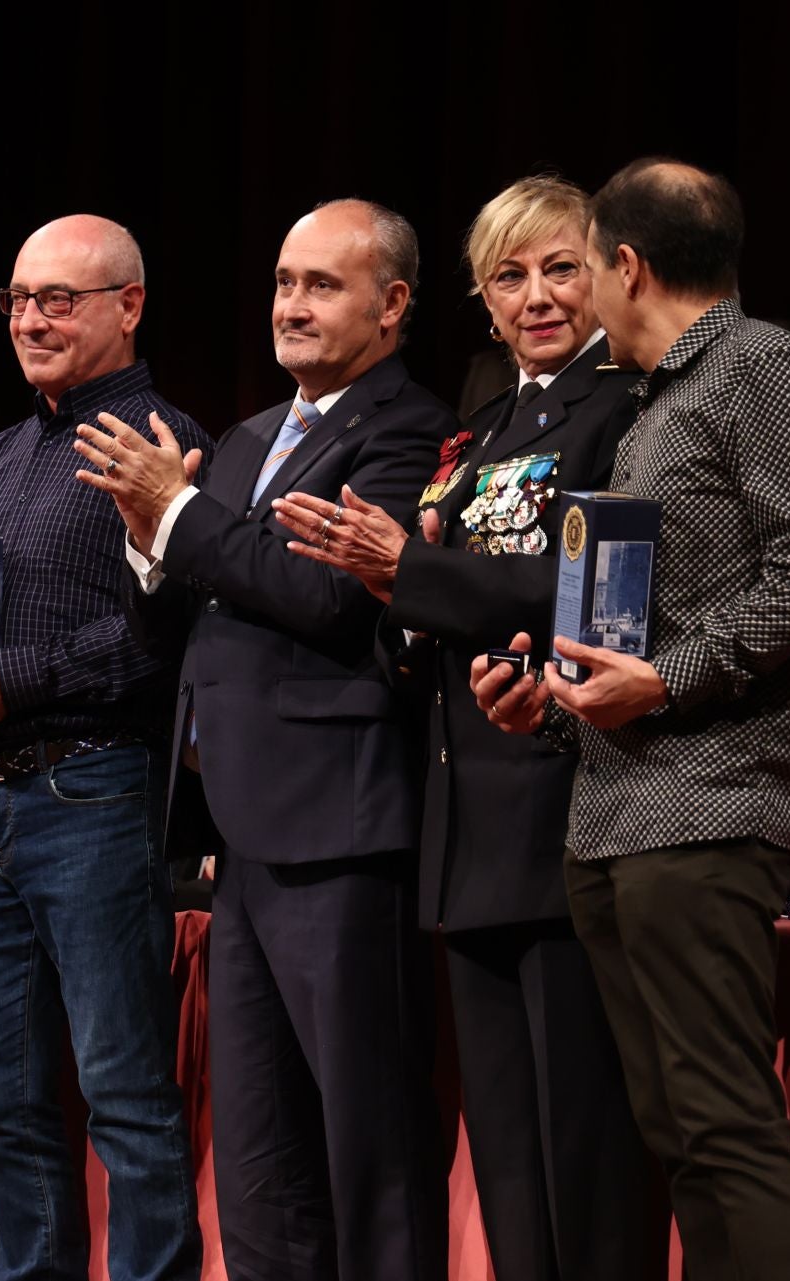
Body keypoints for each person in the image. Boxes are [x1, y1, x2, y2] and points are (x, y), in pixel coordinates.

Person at [474, 158, 790, 1281]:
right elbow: (645, 630)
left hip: (711, 809)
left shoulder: (760, 366)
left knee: (727, 1127)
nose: (574, 291)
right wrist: (554, 702)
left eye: (582, 264)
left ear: (626, 267)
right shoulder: (660, 407)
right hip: (615, 815)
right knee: (680, 1138)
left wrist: (668, 681)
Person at [272, 177, 668, 1281]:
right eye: (509, 276)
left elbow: (598, 591)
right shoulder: (485, 423)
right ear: (482, 300)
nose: (536, 296)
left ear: (610, 272)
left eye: (559, 268)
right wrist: (404, 599)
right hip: (470, 826)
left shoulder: (627, 408)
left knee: (586, 1157)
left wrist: (417, 571)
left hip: (570, 804)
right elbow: (437, 591)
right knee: (508, 1165)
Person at [79, 198, 450, 1281]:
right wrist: (155, 541)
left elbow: (334, 601)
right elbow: (190, 620)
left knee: (369, 1147)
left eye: (321, 286)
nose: (291, 306)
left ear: (391, 307)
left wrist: (183, 520)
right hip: (235, 838)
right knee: (258, 1158)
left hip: (340, 829)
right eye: (285, 283)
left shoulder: (407, 429)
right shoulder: (245, 439)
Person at [0, 214, 208, 1281]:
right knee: (1, 1097)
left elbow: (161, 643)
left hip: (93, 790)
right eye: (19, 300)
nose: (31, 319)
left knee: (123, 1094)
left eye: (59, 300)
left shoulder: (159, 444)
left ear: (130, 305)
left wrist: (11, 680)